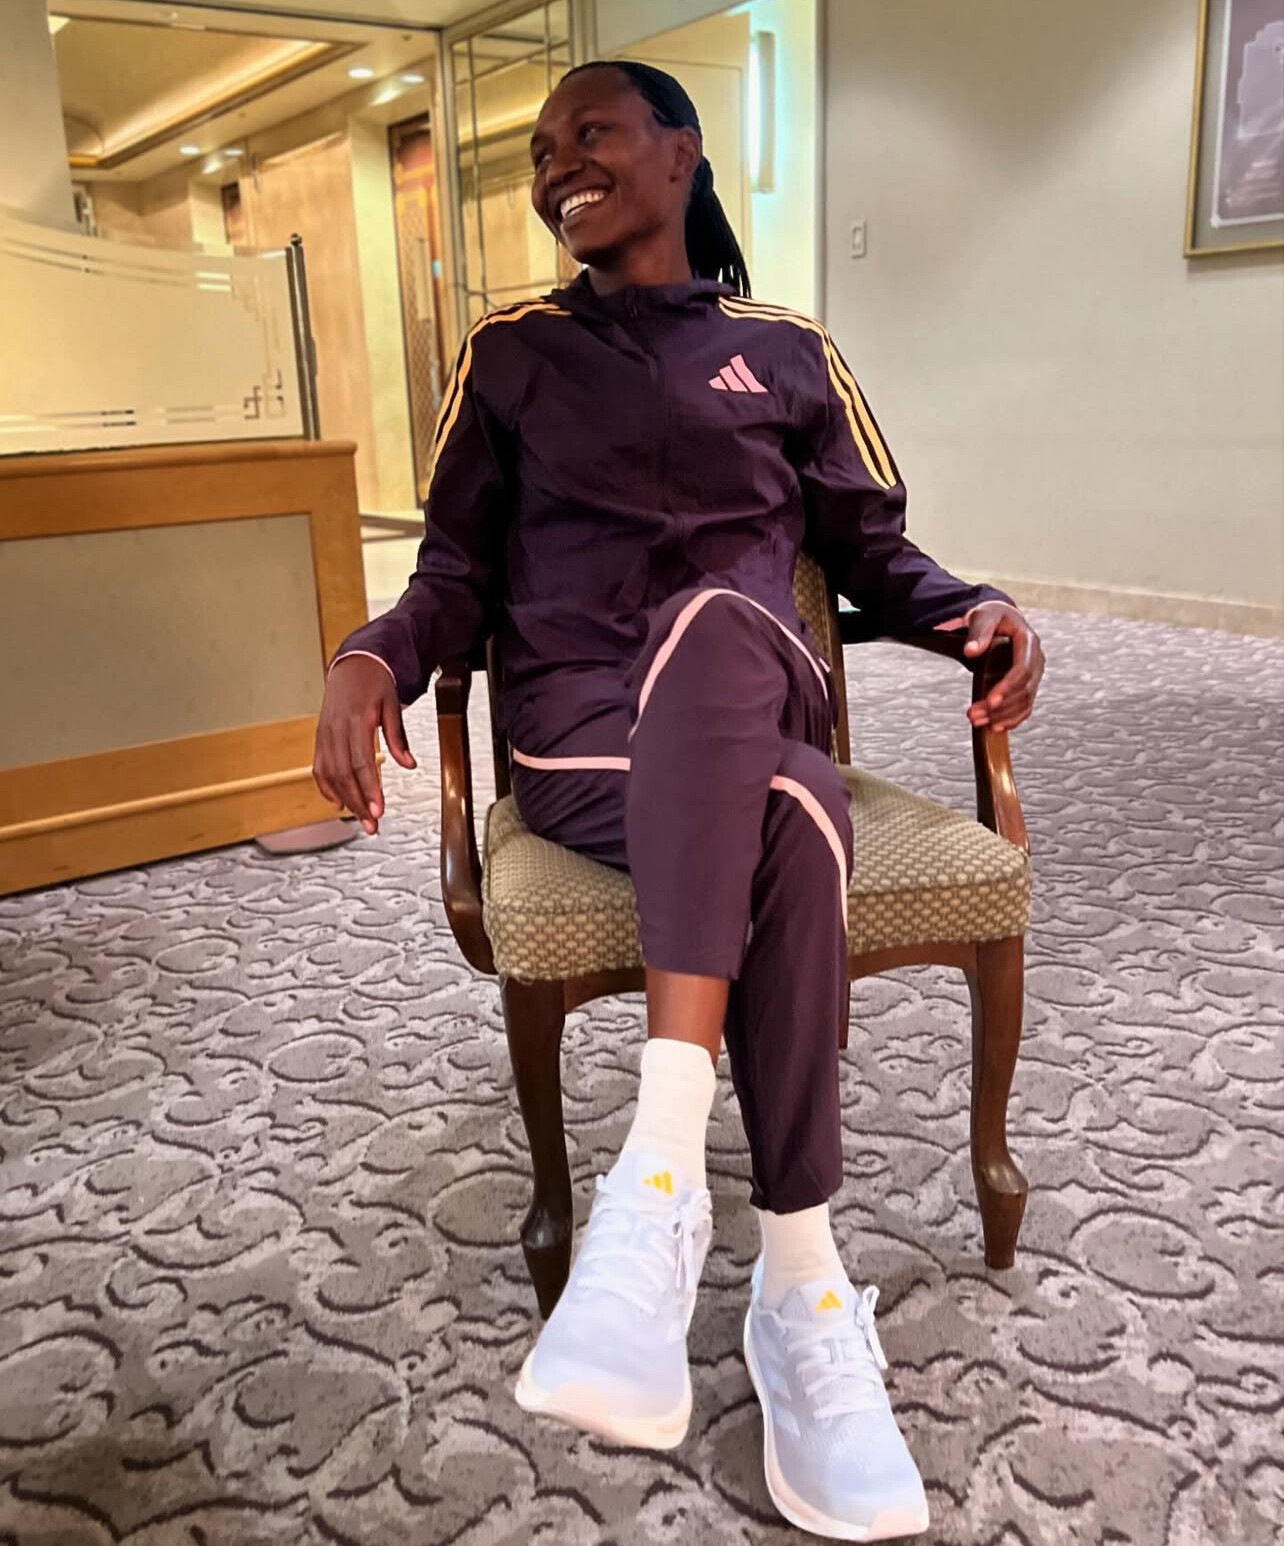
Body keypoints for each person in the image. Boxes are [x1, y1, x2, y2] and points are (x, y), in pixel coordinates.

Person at [314, 59, 1045, 1543]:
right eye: (539, 152)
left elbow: (874, 547)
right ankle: (799, 1275)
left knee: (722, 626)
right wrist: (371, 653)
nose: (555, 167)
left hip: (749, 684)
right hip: (584, 734)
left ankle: (659, 1177)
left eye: (587, 133)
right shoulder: (511, 355)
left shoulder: (786, 351)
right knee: (793, 805)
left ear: (679, 152)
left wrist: (974, 607)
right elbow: (452, 571)